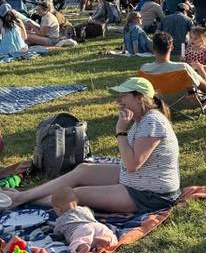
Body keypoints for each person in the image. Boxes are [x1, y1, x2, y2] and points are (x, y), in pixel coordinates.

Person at [4, 77, 181, 213]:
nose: (119, 100)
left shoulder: (152, 121)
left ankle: (20, 201)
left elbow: (132, 164)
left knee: (75, 195)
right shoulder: (142, 119)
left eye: (124, 96)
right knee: (83, 170)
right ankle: (22, 196)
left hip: (149, 194)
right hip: (137, 179)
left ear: (139, 98)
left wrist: (120, 130)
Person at [140, 32, 206, 96]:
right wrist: (201, 68)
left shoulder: (144, 69)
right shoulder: (183, 67)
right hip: (188, 100)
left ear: (153, 48)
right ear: (172, 47)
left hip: (161, 101)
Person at [51, 187, 118, 253]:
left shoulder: (60, 220)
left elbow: (56, 233)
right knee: (109, 234)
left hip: (80, 230)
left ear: (58, 210)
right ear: (77, 200)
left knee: (78, 242)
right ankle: (107, 238)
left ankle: (82, 247)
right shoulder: (85, 209)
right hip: (97, 225)